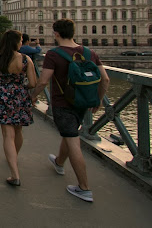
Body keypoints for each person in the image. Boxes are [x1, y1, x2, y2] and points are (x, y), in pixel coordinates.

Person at [31, 19, 109, 203]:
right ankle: (59, 162)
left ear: (56, 33)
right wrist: (98, 99)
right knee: (70, 133)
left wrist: (33, 96)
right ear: (73, 32)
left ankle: (84, 188)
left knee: (73, 142)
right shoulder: (89, 52)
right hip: (83, 103)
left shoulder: (54, 54)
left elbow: (43, 81)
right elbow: (105, 79)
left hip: (63, 104)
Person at [0, 29, 37, 186]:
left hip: (2, 94)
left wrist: (1, 86)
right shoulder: (25, 59)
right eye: (21, 40)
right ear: (16, 42)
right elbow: (33, 83)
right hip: (20, 95)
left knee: (7, 135)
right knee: (18, 131)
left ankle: (15, 174)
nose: (22, 42)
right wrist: (21, 88)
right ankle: (14, 156)